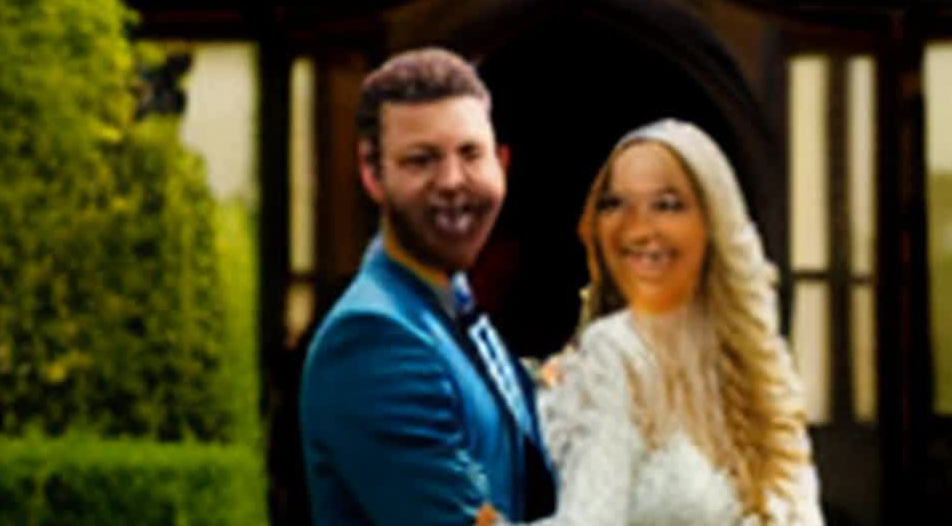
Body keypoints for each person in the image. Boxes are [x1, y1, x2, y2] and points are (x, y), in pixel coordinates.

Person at [299, 48, 557, 526]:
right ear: (372, 174)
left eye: (470, 154)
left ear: (502, 163)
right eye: (422, 161)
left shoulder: (451, 305)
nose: (453, 181)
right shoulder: (372, 341)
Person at [529, 118, 823, 525]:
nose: (638, 227)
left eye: (667, 204)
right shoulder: (613, 351)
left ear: (711, 223)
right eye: (615, 203)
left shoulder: (754, 362)